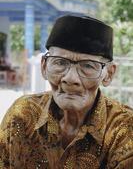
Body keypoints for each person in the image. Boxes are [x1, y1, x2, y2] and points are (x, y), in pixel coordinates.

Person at [0, 15, 133, 169]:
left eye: (88, 66)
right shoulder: (23, 113)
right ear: (44, 66)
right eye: (60, 62)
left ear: (108, 74)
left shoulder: (125, 128)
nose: (70, 79)